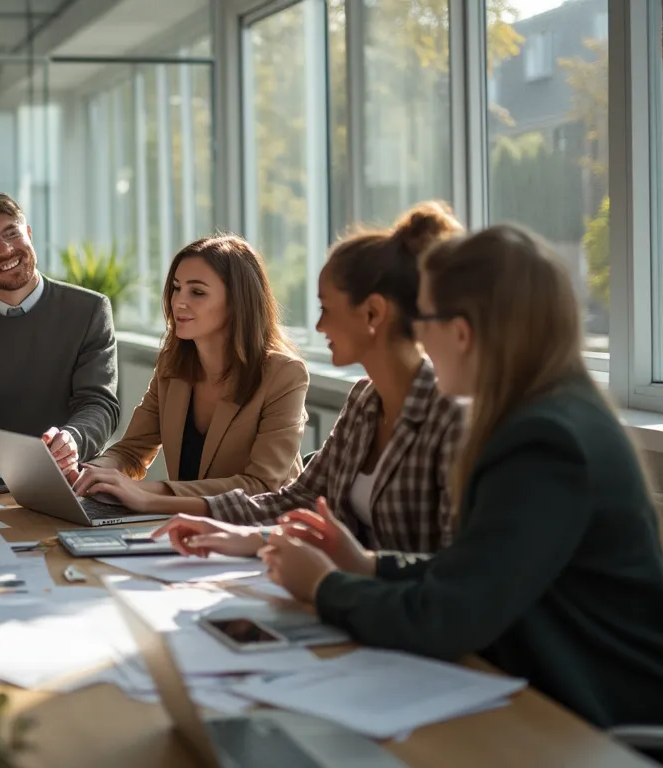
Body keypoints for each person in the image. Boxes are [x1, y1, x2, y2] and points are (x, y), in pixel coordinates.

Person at [261, 224, 663, 730]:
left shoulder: (544, 442)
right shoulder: (554, 410)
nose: (418, 334)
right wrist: (369, 565)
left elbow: (450, 616)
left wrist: (324, 586)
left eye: (425, 317)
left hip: (593, 724)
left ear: (461, 332)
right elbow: (477, 568)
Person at [142, 202, 465, 553]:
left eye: (326, 308)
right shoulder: (364, 401)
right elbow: (299, 498)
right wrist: (230, 531)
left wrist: (354, 571)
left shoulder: (453, 418)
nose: (319, 326)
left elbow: (460, 568)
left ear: (372, 313)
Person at [70, 235, 307, 501]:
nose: (178, 302)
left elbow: (262, 486)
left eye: (197, 292)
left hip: (261, 523)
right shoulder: (172, 366)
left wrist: (148, 495)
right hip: (187, 521)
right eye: (176, 288)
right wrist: (89, 473)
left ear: (237, 301)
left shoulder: (284, 374)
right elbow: (131, 452)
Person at [0, 190, 121, 487]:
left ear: (29, 235)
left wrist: (72, 439)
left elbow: (98, 404)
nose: (5, 249)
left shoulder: (89, 310)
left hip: (71, 480)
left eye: (12, 233)